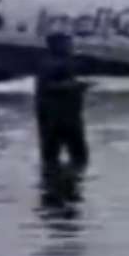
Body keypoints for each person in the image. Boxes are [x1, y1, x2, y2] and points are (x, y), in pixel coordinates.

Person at [34, 32, 89, 169]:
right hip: (57, 117)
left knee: (69, 155)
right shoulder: (50, 64)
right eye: (67, 43)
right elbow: (48, 86)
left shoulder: (63, 61)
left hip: (68, 115)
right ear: (56, 46)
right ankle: (58, 183)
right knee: (65, 155)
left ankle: (58, 183)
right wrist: (75, 86)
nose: (71, 46)